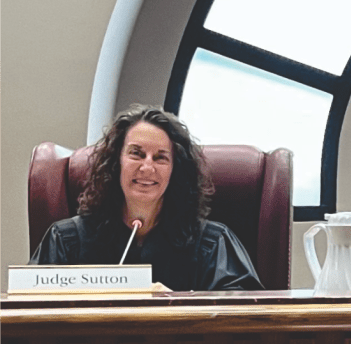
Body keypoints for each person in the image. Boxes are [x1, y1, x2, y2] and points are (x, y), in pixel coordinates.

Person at [30, 105, 263, 291]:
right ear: (115, 162)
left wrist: (176, 306)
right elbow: (30, 316)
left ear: (176, 171)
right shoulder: (65, 240)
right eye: (136, 154)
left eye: (161, 158)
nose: (147, 167)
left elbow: (244, 319)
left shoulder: (213, 243)